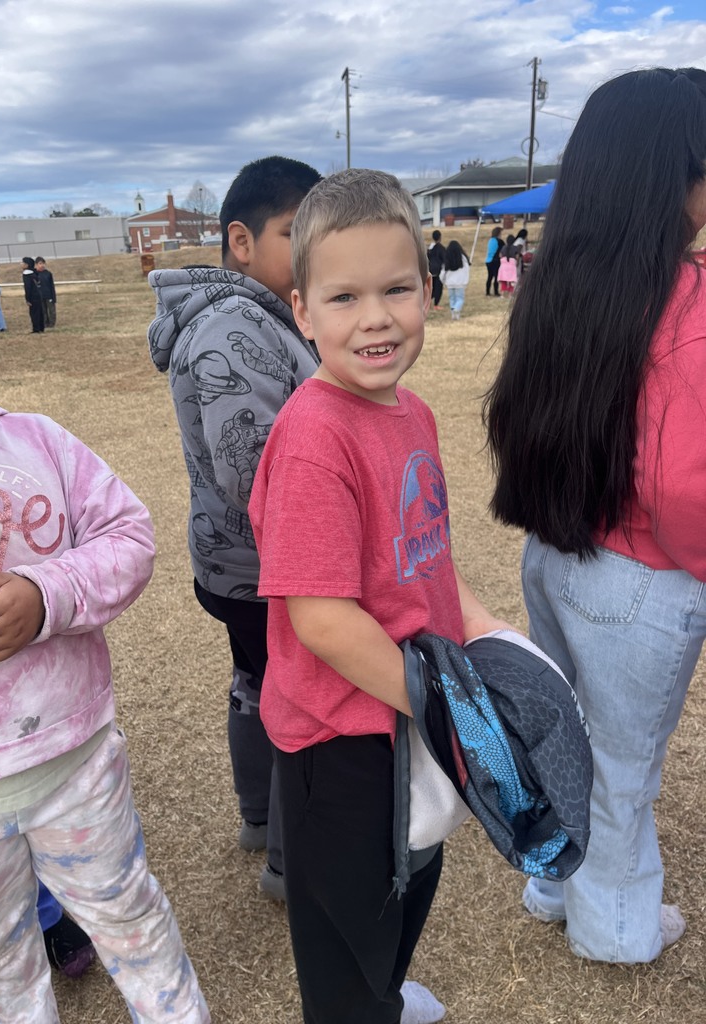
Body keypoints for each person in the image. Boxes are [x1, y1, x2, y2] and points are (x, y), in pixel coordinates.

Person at [249, 168, 510, 1023]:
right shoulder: (314, 437)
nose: (375, 318)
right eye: (344, 296)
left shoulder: (413, 413)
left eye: (396, 289)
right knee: (347, 934)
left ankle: (387, 994)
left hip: (412, 712)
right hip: (344, 738)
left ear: (427, 292)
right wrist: (446, 708)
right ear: (302, 311)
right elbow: (320, 619)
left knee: (416, 870)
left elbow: (426, 563)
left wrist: (495, 638)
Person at [0, 250, 210, 1022]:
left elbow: (130, 536)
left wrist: (46, 593)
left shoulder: (38, 441)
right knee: (2, 967)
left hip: (76, 761)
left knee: (134, 921)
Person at [484, 66, 706, 964]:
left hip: (558, 552)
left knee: (565, 739)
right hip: (646, 581)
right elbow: (689, 489)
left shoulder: (560, 283)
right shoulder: (689, 304)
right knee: (622, 767)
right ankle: (615, 928)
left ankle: (551, 882)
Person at [147, 155, 322, 900]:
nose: (315, 252)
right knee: (294, 701)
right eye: (297, 233)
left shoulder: (263, 315)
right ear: (241, 242)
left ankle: (259, 821)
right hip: (263, 567)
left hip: (235, 561)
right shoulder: (231, 326)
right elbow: (253, 468)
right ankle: (290, 862)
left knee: (255, 683)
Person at [441, 239, 471, 320]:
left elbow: (443, 271)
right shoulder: (462, 258)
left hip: (450, 283)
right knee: (460, 299)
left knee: (452, 299)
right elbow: (466, 269)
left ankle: (454, 315)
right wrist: (466, 280)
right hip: (460, 283)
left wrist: (442, 280)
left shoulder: (447, 258)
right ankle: (456, 310)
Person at [21, 255, 44, 333]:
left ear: (27, 265)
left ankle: (36, 329)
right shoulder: (34, 273)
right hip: (38, 294)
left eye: (23, 263)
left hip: (33, 296)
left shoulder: (26, 274)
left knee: (34, 312)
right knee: (39, 311)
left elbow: (28, 288)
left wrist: (28, 299)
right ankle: (41, 327)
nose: (21, 264)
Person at [426, 228, 446, 309]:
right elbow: (445, 259)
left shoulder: (429, 248)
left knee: (431, 287)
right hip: (438, 270)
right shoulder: (441, 248)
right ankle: (436, 305)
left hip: (430, 269)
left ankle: (429, 301)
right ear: (440, 237)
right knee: (438, 287)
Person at [35, 256, 57, 327]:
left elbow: (51, 286)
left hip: (48, 295)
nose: (42, 265)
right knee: (43, 311)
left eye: (43, 263)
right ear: (36, 264)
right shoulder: (34, 274)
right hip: (40, 296)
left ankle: (51, 324)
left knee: (52, 311)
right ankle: (45, 323)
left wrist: (53, 297)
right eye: (40, 263)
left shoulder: (48, 273)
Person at [484, 225, 503, 296]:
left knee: (489, 276)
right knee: (496, 277)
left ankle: (487, 292)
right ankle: (496, 292)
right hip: (495, 261)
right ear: (498, 234)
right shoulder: (499, 241)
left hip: (488, 260)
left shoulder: (490, 240)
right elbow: (502, 250)